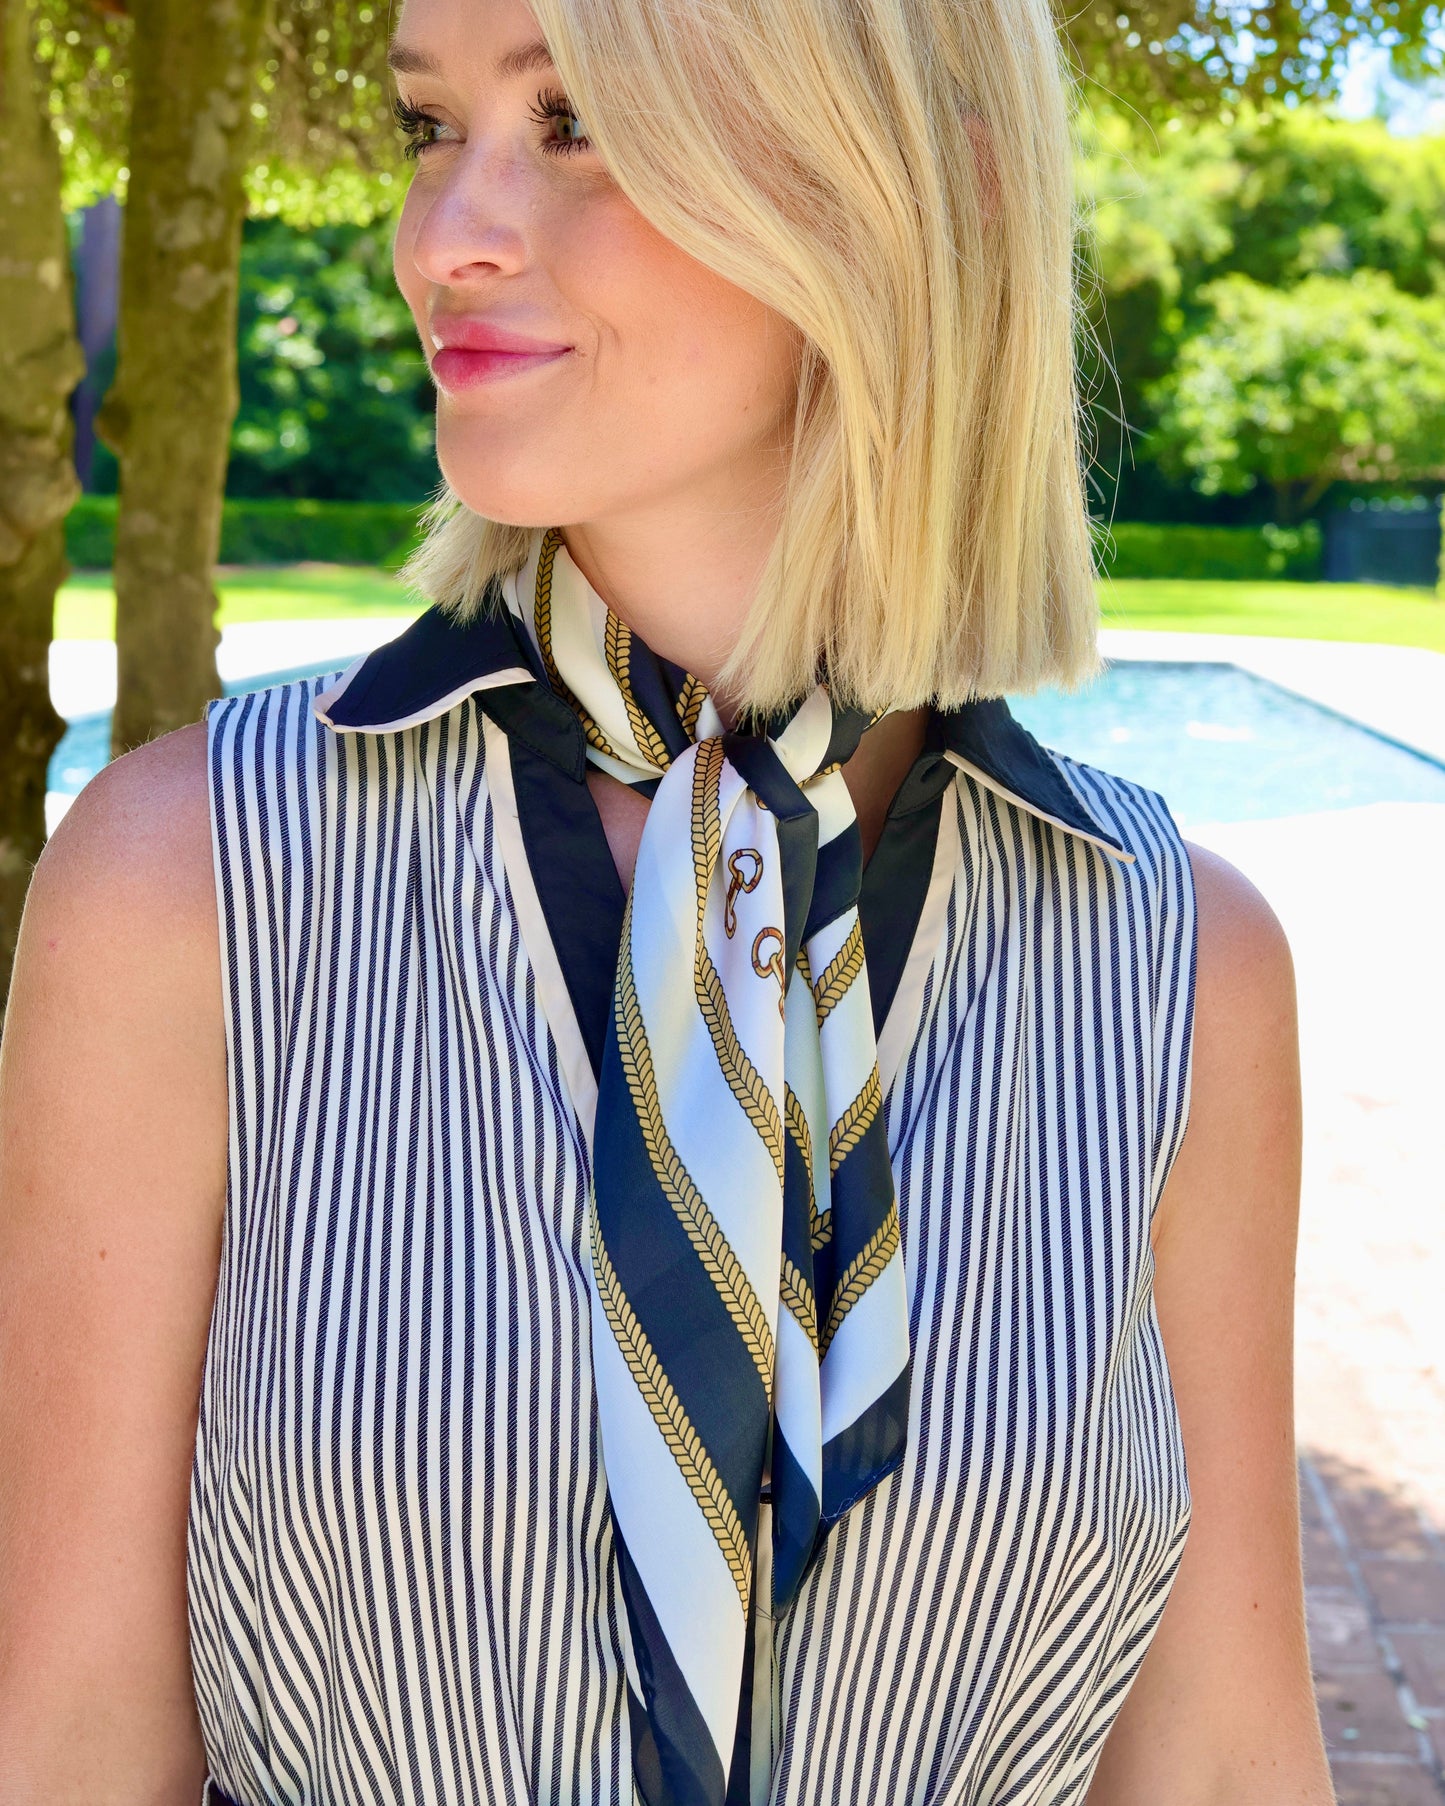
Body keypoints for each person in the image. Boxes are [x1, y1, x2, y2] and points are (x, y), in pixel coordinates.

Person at [0, 0, 1335, 1798]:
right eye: (429, 127)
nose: (442, 237)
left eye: (574, 124)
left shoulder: (1175, 968)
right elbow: (69, 1743)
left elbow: (1225, 1759)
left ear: (904, 182)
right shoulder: (194, 889)